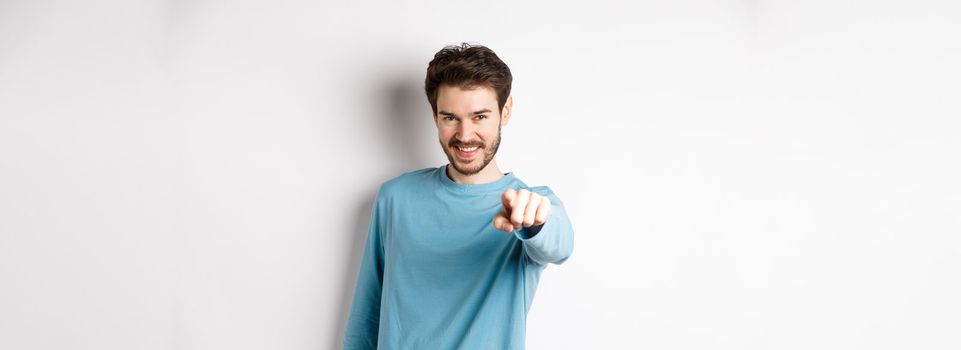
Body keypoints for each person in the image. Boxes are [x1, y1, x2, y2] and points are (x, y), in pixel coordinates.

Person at [342, 42, 575, 349]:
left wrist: (536, 221)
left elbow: (559, 244)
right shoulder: (395, 197)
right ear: (435, 116)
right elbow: (367, 314)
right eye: (450, 117)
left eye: (479, 117)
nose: (465, 135)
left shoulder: (527, 205)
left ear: (505, 112)